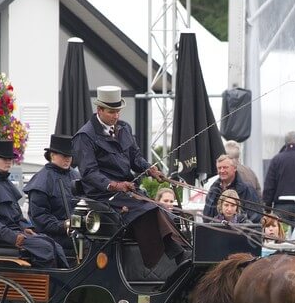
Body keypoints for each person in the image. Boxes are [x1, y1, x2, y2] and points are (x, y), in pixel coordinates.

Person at [73, 85, 189, 269]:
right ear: (99, 110)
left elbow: (135, 157)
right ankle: (175, 254)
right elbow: (89, 173)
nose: (116, 116)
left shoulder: (124, 128)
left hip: (127, 190)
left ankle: (180, 249)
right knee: (148, 208)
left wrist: (150, 169)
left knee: (161, 209)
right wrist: (115, 185)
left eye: (118, 111)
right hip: (103, 195)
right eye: (112, 112)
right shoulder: (85, 136)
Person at [0, 139, 69, 268]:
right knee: (45, 248)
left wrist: (26, 228)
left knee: (53, 244)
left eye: (10, 159)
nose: (9, 161)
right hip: (0, 241)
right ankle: (42, 280)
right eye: (4, 158)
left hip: (15, 236)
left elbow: (17, 216)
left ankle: (57, 280)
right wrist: (14, 237)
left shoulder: (5, 183)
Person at [24, 134, 80, 254]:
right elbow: (40, 217)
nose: (68, 159)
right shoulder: (41, 181)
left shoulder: (76, 176)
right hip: (54, 243)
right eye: (64, 155)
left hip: (78, 237)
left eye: (70, 156)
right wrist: (64, 225)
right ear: (52, 155)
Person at [262, 131, 295, 227]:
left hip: (281, 207)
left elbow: (269, 185)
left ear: (286, 143)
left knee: (281, 234)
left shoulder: (276, 160)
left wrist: (267, 206)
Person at [204, 154, 262, 223]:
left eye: (225, 167)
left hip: (241, 229)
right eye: (219, 168)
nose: (222, 170)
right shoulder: (213, 189)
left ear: (234, 168)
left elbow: (255, 218)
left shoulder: (247, 189)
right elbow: (206, 216)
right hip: (215, 229)